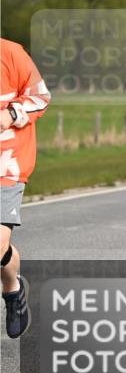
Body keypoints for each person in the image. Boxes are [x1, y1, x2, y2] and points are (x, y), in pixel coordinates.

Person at [1, 39, 50, 338]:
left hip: (7, 166)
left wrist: (11, 113)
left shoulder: (11, 53)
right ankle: (14, 288)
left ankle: (11, 289)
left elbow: (41, 97)